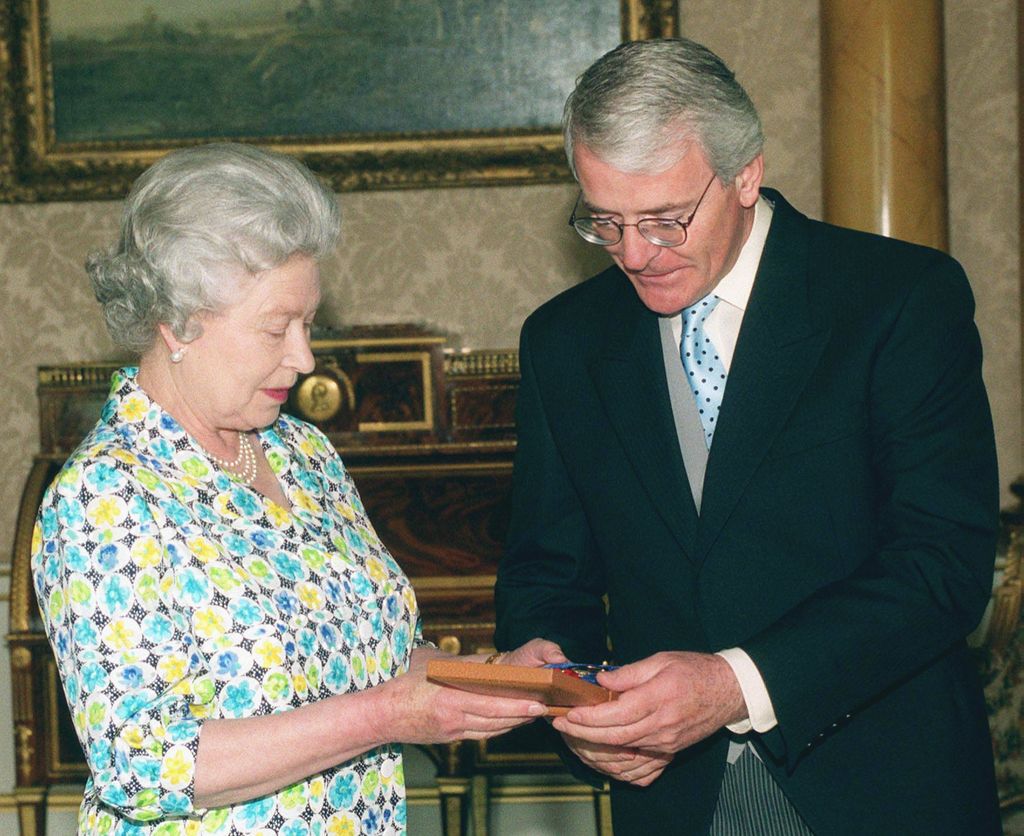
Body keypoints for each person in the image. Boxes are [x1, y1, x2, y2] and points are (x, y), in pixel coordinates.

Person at [494, 37, 1001, 835]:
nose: (634, 254)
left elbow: (942, 565)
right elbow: (545, 576)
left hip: (879, 788)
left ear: (744, 174)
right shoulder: (565, 341)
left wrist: (737, 685)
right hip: (671, 802)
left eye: (664, 220)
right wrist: (578, 712)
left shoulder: (896, 300)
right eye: (605, 221)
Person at [31, 142, 565, 835]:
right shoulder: (103, 498)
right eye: (275, 327)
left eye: (308, 324)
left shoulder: (303, 452)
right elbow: (143, 765)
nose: (304, 358)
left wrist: (502, 677)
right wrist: (388, 715)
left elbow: (379, 664)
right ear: (176, 324)